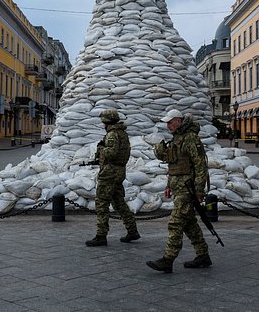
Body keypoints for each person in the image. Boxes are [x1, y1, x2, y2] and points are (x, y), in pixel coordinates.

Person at [146, 109, 211, 273]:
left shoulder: (190, 138)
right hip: (179, 187)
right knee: (189, 224)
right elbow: (174, 166)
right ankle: (203, 255)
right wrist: (169, 185)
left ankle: (168, 259)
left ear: (179, 121)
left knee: (175, 223)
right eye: (167, 122)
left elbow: (200, 166)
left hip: (188, 190)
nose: (168, 125)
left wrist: (199, 190)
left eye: (170, 122)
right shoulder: (177, 139)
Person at [85, 109, 140, 247]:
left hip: (109, 172)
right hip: (119, 171)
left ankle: (101, 235)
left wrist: (101, 149)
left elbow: (112, 153)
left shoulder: (112, 135)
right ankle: (132, 230)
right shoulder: (123, 134)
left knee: (102, 203)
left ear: (106, 121)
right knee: (118, 202)